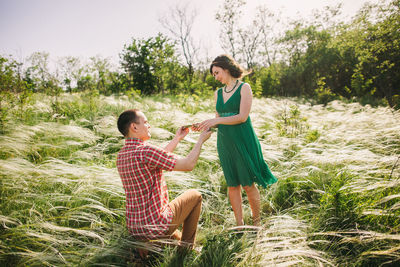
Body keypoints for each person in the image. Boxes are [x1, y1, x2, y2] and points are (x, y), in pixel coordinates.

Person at [195, 54, 277, 227]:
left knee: (248, 184)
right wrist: (205, 125)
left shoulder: (244, 88)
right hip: (225, 142)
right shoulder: (218, 94)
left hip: (242, 139)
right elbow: (218, 119)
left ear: (226, 68)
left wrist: (216, 120)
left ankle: (256, 223)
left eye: (217, 73)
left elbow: (242, 117)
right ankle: (240, 224)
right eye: (214, 75)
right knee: (232, 185)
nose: (216, 77)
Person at [116, 109, 212, 255]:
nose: (149, 126)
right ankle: (186, 251)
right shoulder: (145, 151)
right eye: (145, 122)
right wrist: (200, 140)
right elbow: (188, 165)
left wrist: (177, 138)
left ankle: (147, 248)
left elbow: (158, 159)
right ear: (134, 127)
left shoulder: (122, 155)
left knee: (174, 234)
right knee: (195, 195)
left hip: (135, 229)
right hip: (155, 225)